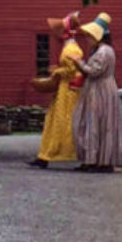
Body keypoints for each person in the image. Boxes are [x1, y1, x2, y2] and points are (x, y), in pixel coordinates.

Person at [69, 13, 122, 172]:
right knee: (100, 123)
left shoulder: (103, 52)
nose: (88, 39)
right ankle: (97, 159)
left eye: (90, 36)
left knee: (94, 122)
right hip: (100, 89)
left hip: (99, 90)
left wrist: (78, 62)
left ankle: (97, 161)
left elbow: (94, 71)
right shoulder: (104, 50)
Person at [26, 11, 82, 169]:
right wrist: (58, 69)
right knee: (54, 120)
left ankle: (55, 154)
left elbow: (72, 69)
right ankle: (44, 155)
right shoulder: (69, 47)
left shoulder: (72, 48)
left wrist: (57, 72)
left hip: (68, 90)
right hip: (64, 88)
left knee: (63, 121)